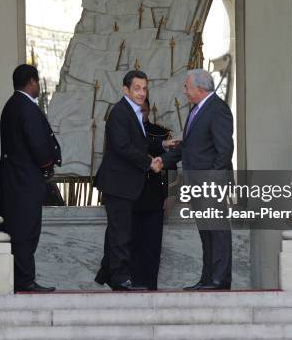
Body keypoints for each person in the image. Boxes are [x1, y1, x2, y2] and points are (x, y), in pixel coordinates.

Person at [94, 70, 175, 291]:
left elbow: (139, 141)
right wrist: (150, 162)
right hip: (118, 184)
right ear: (126, 90)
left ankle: (109, 273)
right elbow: (123, 146)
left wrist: (162, 146)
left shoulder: (133, 112)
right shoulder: (120, 112)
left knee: (119, 231)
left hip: (124, 185)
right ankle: (119, 277)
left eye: (144, 88)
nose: (141, 93)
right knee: (121, 232)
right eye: (137, 88)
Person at [161, 69, 235, 291]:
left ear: (200, 89)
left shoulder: (217, 109)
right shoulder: (197, 109)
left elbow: (224, 151)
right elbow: (189, 146)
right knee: (206, 232)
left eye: (187, 87)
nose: (185, 92)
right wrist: (163, 160)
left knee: (218, 231)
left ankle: (220, 279)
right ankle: (207, 278)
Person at [0, 64, 60, 292]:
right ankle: (25, 280)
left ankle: (21, 279)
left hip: (14, 180)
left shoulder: (11, 105)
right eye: (37, 82)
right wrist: (47, 166)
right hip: (25, 181)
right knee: (26, 230)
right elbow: (38, 144)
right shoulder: (26, 107)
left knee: (18, 229)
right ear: (32, 82)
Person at [130, 98, 174, 290]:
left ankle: (150, 286)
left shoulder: (161, 134)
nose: (142, 114)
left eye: (145, 110)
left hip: (154, 196)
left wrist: (170, 194)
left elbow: (171, 168)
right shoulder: (126, 132)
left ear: (150, 111)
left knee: (152, 245)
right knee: (132, 243)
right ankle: (132, 283)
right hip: (130, 196)